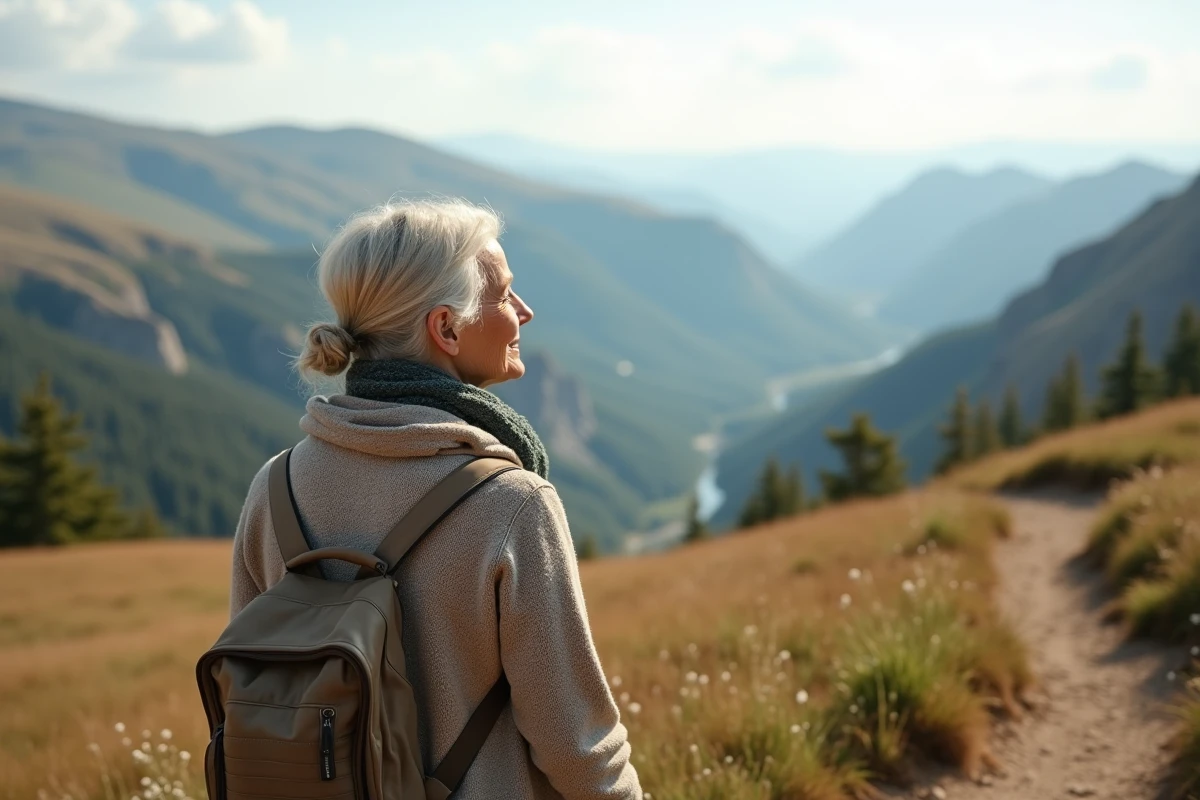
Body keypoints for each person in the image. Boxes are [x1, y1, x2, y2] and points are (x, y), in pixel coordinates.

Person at [228, 199, 643, 800]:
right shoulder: (511, 503)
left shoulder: (274, 487)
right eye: (503, 296)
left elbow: (251, 694)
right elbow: (578, 750)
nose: (525, 312)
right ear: (445, 328)